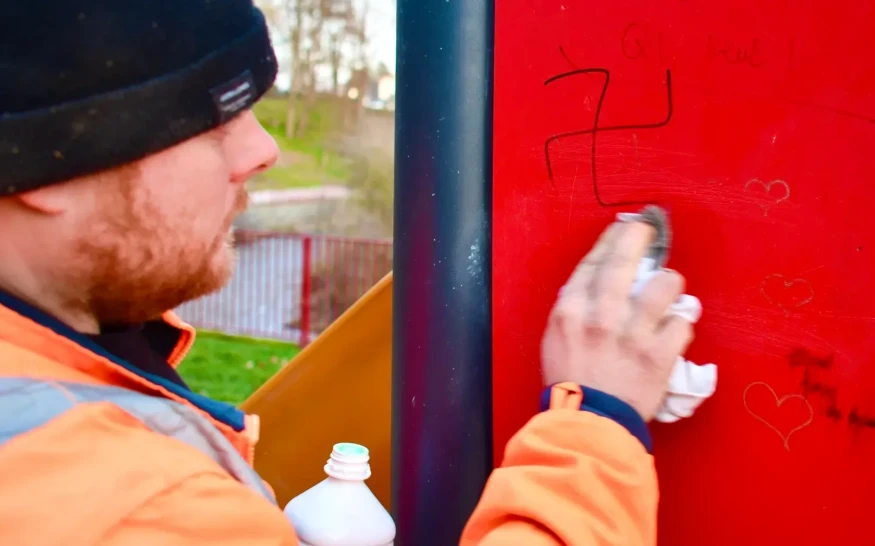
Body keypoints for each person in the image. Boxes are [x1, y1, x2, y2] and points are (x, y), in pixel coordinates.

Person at [0, 1, 699, 545]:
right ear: (49, 171)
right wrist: (596, 424)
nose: (263, 150)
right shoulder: (133, 505)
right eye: (214, 120)